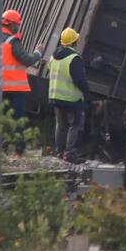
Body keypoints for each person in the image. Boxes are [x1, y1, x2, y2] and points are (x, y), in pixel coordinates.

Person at [0, 9, 44, 155]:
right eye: (17, 25)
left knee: (0, 120)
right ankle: (20, 150)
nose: (18, 27)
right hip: (14, 88)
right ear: (11, 24)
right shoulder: (12, 41)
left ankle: (0, 148)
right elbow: (27, 60)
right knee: (17, 120)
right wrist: (38, 53)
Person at [48, 27, 90, 161]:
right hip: (72, 99)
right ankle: (70, 153)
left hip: (55, 97)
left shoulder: (53, 57)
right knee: (75, 124)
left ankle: (59, 153)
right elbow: (79, 79)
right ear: (74, 42)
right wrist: (87, 94)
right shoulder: (74, 58)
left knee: (60, 125)